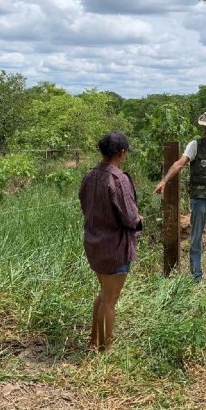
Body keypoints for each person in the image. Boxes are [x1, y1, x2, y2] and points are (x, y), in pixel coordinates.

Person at [153, 110, 206, 281]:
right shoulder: (195, 145)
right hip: (199, 199)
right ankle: (196, 276)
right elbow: (179, 164)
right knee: (196, 238)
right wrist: (164, 181)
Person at [79, 131, 143, 352]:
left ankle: (93, 342)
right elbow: (129, 216)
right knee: (110, 299)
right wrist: (138, 220)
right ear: (122, 153)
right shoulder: (119, 178)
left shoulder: (89, 175)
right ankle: (107, 348)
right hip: (115, 248)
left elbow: (85, 204)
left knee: (104, 294)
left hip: (94, 244)